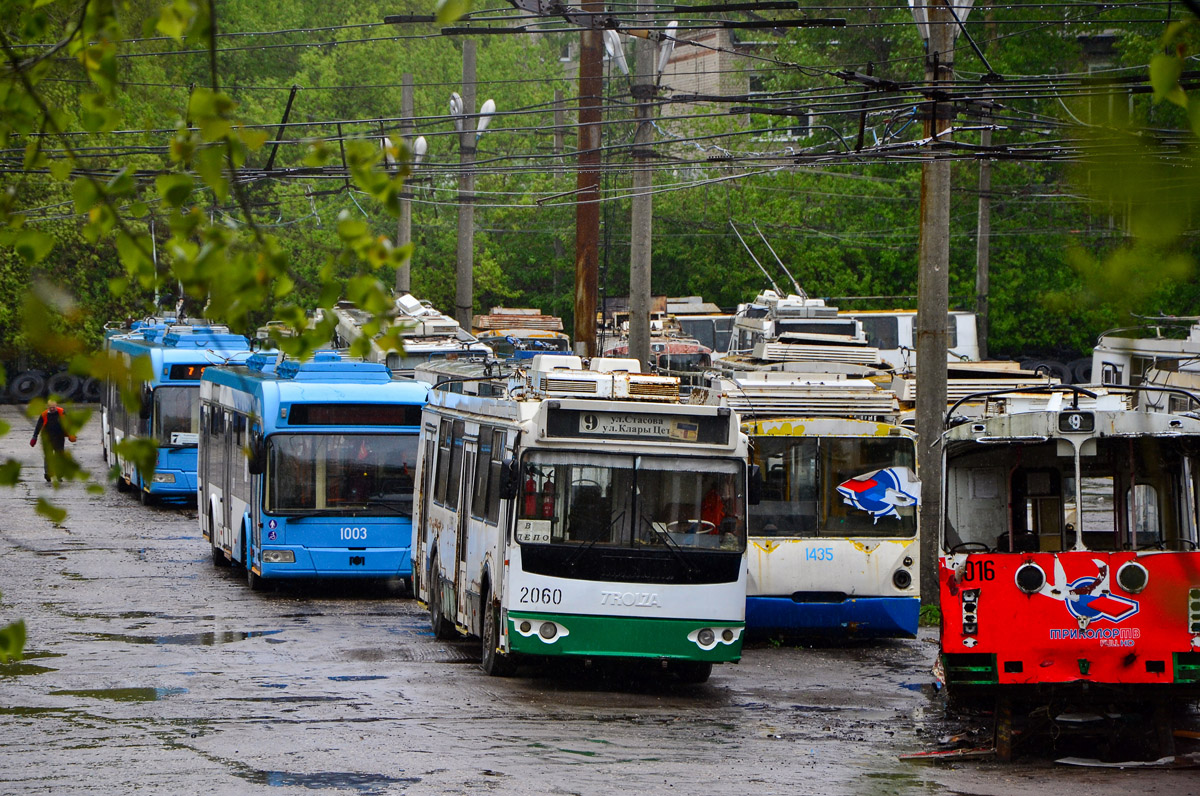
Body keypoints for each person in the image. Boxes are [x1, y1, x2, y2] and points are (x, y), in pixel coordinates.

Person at [30, 398, 74, 483]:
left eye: (53, 407)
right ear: (48, 407)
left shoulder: (62, 412)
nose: (52, 409)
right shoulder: (44, 414)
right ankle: (48, 474)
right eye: (50, 407)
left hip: (59, 438)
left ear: (56, 406)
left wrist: (71, 434)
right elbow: (38, 425)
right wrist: (34, 436)